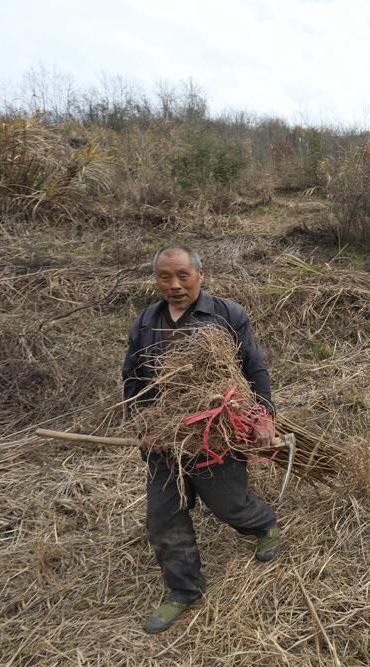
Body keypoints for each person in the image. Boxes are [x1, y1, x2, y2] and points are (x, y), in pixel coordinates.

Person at [122, 245, 279, 634]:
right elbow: (132, 380)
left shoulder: (226, 315)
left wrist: (263, 417)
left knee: (228, 505)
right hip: (165, 440)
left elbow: (254, 369)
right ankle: (184, 589)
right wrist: (141, 424)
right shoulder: (145, 323)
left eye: (182, 276)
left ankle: (263, 525)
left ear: (200, 274)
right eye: (164, 277)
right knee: (163, 517)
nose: (173, 285)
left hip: (215, 434)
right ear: (155, 278)